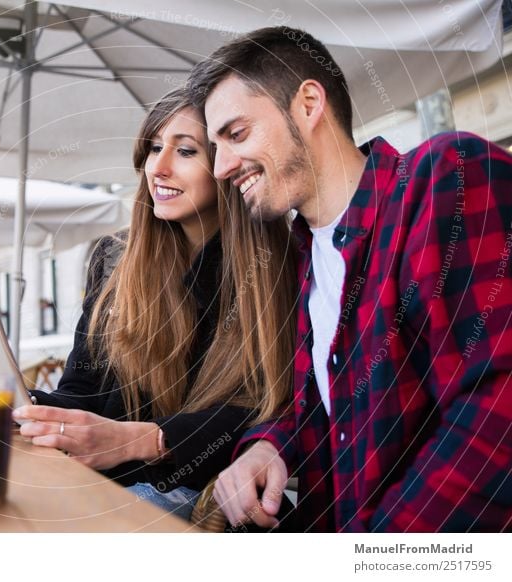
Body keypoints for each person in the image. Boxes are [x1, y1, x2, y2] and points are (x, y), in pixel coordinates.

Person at [188, 26, 512, 531]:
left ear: (309, 103)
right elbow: (329, 408)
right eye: (214, 146)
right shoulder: (304, 257)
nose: (223, 166)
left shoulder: (442, 178)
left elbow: (497, 409)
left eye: (236, 134)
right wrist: (269, 446)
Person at [0, 87, 297, 520]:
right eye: (153, 149)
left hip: (200, 498)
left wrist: (145, 439)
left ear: (226, 165)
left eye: (185, 151)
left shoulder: (276, 268)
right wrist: (18, 402)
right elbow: (83, 393)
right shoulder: (116, 260)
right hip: (100, 484)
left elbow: (271, 410)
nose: (159, 168)